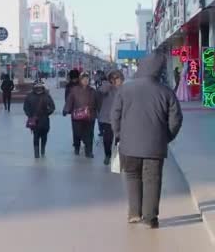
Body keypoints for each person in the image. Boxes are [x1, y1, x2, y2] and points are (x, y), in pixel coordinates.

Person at [111, 52, 183, 229]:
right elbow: (176, 119)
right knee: (152, 179)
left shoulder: (125, 89)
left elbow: (115, 115)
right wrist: (166, 137)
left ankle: (134, 213)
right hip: (155, 146)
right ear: (158, 69)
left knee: (132, 177)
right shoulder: (165, 92)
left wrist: (120, 134)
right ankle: (150, 217)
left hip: (129, 145)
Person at [63, 72, 99, 158]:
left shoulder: (92, 91)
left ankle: (89, 151)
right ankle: (77, 147)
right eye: (84, 79)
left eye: (87, 79)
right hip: (77, 116)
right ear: (80, 80)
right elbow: (69, 101)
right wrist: (66, 110)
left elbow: (98, 103)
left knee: (89, 134)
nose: (85, 80)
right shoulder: (74, 90)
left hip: (90, 116)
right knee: (77, 133)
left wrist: (98, 112)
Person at [97, 70, 125, 165]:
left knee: (119, 140)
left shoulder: (124, 89)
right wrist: (109, 84)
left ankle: (117, 158)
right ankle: (107, 155)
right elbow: (101, 91)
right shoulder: (107, 88)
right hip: (108, 119)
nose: (116, 80)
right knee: (107, 139)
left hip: (121, 119)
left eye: (118, 78)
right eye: (114, 78)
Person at [23, 80, 55, 158]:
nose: (39, 88)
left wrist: (47, 113)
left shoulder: (46, 95)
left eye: (40, 87)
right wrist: (30, 116)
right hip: (37, 121)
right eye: (37, 87)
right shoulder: (31, 96)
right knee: (37, 136)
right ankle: (37, 152)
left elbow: (52, 107)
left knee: (42, 136)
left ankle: (41, 150)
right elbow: (26, 107)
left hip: (43, 120)